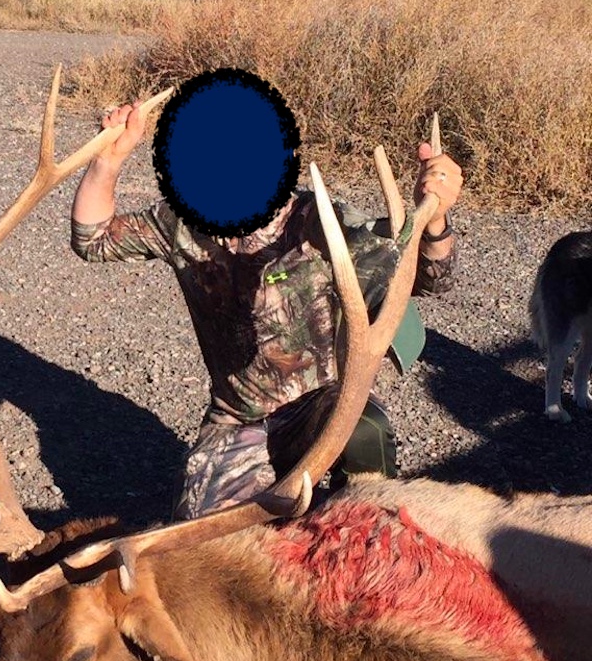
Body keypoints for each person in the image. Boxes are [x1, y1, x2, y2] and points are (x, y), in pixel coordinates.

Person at [71, 99, 463, 520]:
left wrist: (433, 221)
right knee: (200, 538)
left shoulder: (316, 220)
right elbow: (92, 239)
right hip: (237, 422)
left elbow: (429, 276)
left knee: (365, 430)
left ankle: (366, 535)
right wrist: (108, 160)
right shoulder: (180, 223)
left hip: (318, 410)